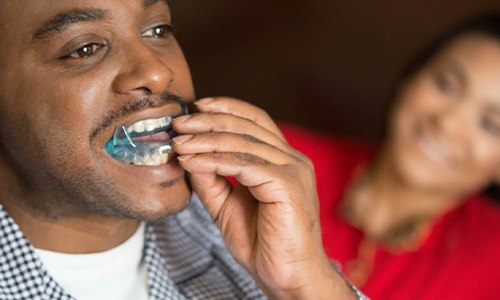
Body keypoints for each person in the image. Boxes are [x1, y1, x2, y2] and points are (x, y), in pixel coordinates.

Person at [0, 1, 367, 299]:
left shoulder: (239, 233)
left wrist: (305, 285)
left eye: (158, 30)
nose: (157, 72)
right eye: (85, 49)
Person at [282, 14, 500, 299]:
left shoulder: (491, 265)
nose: (447, 122)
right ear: (409, 79)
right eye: (445, 85)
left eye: (490, 124)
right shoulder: (281, 158)